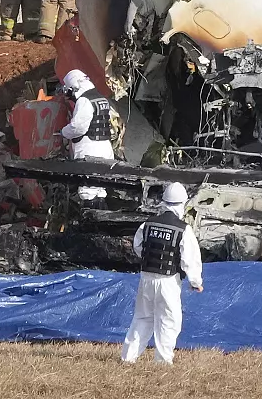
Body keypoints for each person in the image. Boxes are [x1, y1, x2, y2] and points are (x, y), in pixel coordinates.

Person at [121, 181, 204, 365]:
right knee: (169, 320)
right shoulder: (183, 229)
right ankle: (162, 361)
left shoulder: (147, 224)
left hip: (146, 278)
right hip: (168, 281)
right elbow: (190, 259)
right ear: (183, 204)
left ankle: (128, 358)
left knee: (142, 318)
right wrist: (196, 282)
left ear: (164, 202)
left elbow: (137, 247)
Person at [59, 69, 116, 202]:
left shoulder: (84, 101)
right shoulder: (101, 98)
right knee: (100, 188)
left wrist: (63, 132)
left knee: (87, 191)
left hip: (90, 149)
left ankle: (90, 219)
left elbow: (78, 127)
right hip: (105, 147)